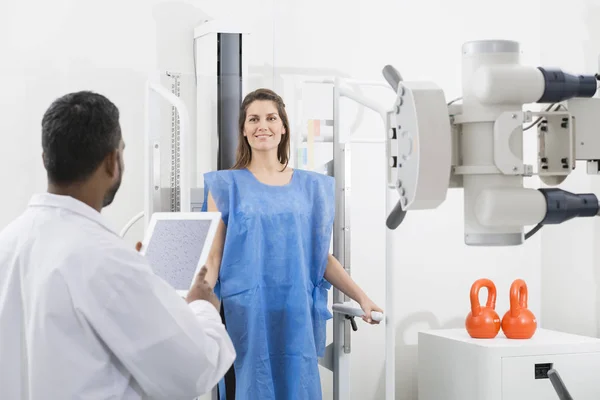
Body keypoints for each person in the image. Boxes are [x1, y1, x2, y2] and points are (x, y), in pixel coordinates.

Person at [0, 91, 236, 399]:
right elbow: (193, 372)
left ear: (46, 159)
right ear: (113, 161)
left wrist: (139, 280)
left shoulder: (10, 241)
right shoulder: (107, 260)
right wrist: (202, 305)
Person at [201, 88, 383, 399]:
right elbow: (213, 259)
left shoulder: (310, 188)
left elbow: (320, 258)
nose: (263, 126)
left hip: (295, 312)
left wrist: (362, 297)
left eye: (271, 118)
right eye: (254, 119)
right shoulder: (226, 187)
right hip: (247, 316)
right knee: (250, 385)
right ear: (244, 130)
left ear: (283, 127)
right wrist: (195, 310)